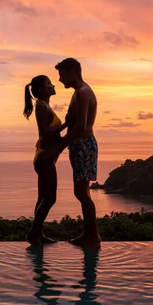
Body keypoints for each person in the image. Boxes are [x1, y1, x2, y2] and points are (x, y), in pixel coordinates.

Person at [50, 58, 101, 247]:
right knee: (81, 191)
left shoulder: (82, 93)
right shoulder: (78, 93)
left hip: (84, 146)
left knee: (82, 192)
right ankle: (90, 234)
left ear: (72, 71)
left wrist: (59, 146)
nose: (60, 79)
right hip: (79, 145)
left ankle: (92, 236)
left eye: (62, 74)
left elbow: (80, 127)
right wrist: (57, 131)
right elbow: (73, 122)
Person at [23, 75, 67, 246]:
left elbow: (50, 132)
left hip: (45, 156)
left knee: (42, 198)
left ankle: (38, 235)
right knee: (50, 198)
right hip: (45, 157)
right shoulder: (41, 106)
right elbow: (46, 133)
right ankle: (33, 234)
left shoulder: (45, 105)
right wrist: (67, 124)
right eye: (49, 84)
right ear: (41, 89)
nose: (52, 85)